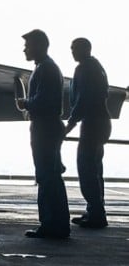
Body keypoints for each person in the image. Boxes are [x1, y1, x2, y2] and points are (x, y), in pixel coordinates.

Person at [16, 29, 69, 238]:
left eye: (27, 46)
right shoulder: (48, 68)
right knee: (52, 176)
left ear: (39, 46)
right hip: (49, 127)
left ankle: (51, 225)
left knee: (47, 176)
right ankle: (58, 224)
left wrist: (25, 103)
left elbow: (43, 101)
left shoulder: (45, 69)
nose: (24, 50)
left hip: (44, 128)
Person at [65, 37, 111, 229]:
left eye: (75, 48)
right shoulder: (97, 67)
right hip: (101, 122)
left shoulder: (84, 69)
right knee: (95, 169)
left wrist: (68, 127)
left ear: (85, 49)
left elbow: (82, 100)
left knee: (86, 168)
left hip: (92, 124)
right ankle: (95, 211)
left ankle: (96, 214)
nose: (72, 51)